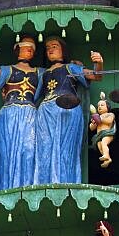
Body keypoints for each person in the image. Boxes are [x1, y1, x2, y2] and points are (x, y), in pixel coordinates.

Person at [34, 36, 103, 185]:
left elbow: (96, 76)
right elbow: (34, 97)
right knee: (44, 149)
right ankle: (45, 183)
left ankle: (66, 182)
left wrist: (99, 63)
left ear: (63, 51)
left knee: (66, 149)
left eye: (54, 46)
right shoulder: (44, 74)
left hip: (67, 109)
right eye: (47, 48)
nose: (50, 50)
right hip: (45, 114)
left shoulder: (71, 68)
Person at [0, 36, 42, 192]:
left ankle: (27, 187)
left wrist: (75, 65)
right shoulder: (7, 70)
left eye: (32, 48)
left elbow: (59, 75)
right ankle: (6, 188)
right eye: (26, 46)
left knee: (29, 151)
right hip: (9, 113)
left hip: (30, 114)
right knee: (7, 151)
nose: (30, 49)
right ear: (17, 49)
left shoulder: (40, 72)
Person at [88, 93, 117, 168]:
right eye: (98, 106)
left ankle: (106, 156)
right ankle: (107, 159)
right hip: (99, 135)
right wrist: (94, 122)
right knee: (100, 147)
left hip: (107, 134)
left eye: (102, 105)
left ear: (107, 107)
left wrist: (100, 119)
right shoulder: (97, 117)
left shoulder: (110, 114)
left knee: (104, 143)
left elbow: (110, 121)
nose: (99, 107)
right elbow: (91, 128)